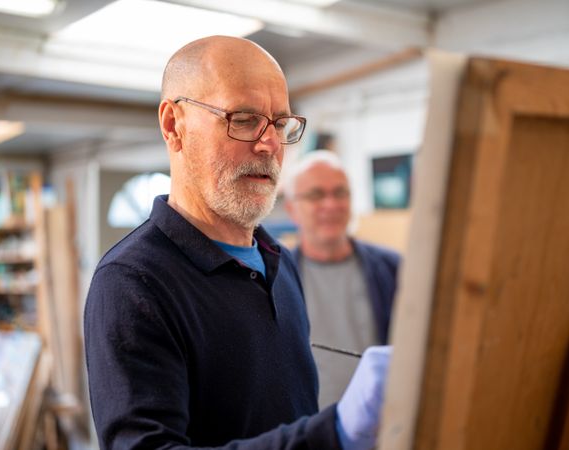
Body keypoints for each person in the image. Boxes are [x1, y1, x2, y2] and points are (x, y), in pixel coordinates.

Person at [84, 36, 391, 450]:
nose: (269, 145)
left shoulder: (278, 263)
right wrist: (330, 434)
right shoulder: (133, 283)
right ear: (174, 125)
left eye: (280, 124)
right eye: (243, 119)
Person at [284, 150, 401, 407]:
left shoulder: (393, 269)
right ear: (292, 208)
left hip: (382, 427)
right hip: (309, 433)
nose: (331, 204)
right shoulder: (277, 278)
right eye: (316, 195)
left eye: (340, 193)